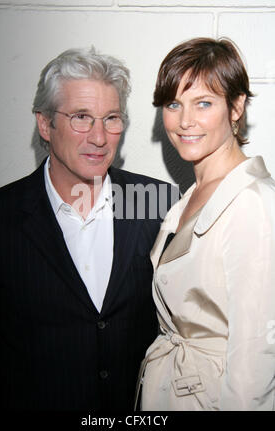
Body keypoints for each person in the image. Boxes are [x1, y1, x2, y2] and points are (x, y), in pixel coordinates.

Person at [0, 48, 177, 411]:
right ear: (44, 124)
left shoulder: (159, 204)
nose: (99, 137)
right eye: (81, 117)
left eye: (111, 118)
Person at [138, 37, 275, 411]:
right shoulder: (189, 198)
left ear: (236, 107)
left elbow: (256, 359)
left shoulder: (253, 202)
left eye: (203, 103)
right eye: (173, 104)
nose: (184, 121)